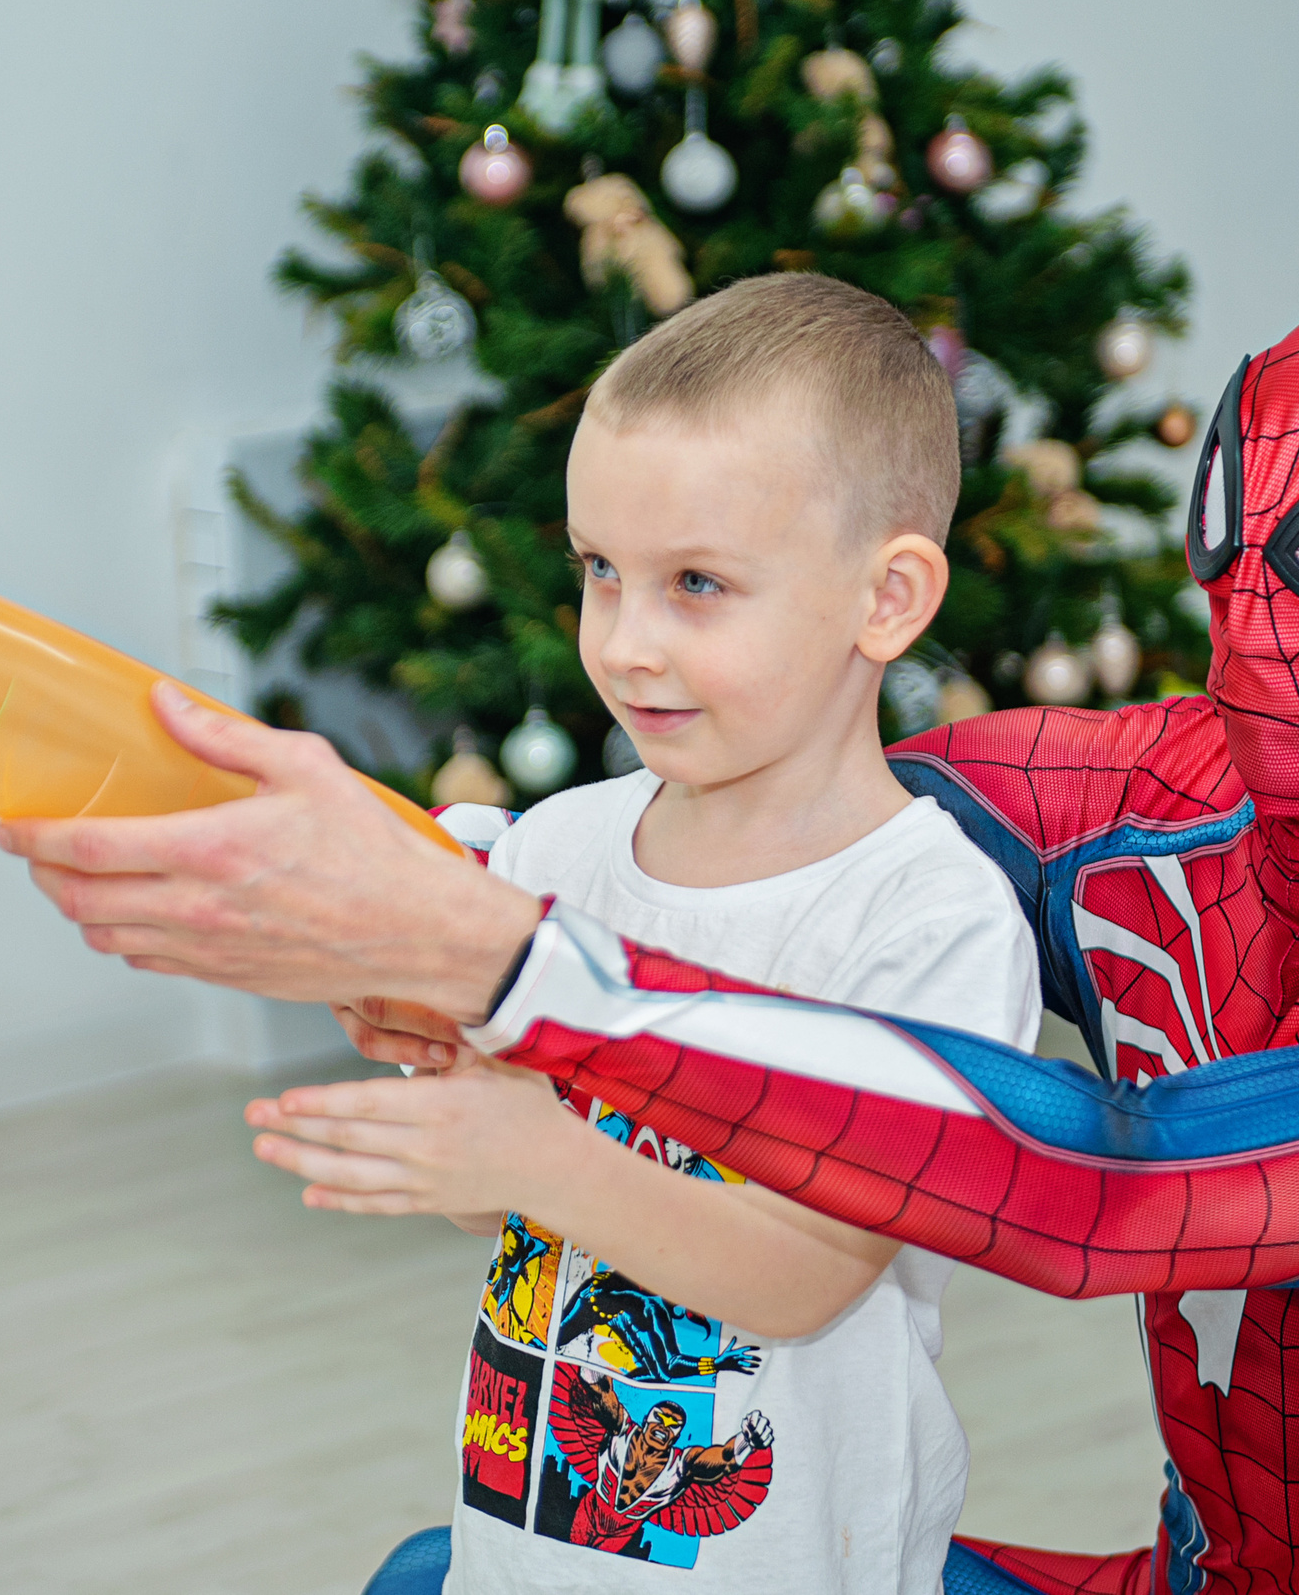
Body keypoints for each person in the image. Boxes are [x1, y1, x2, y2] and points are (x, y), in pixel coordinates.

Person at [0, 264, 1299, 1595]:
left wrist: (507, 967)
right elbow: (771, 804)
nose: (1269, 608)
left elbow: (1106, 1186)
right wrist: (378, 875)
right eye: (1246, 525)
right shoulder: (1155, 796)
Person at [243, 276, 1040, 1591]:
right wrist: (461, 1100)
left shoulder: (927, 924)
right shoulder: (555, 850)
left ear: (886, 599)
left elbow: (804, 1275)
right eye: (600, 571)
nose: (624, 642)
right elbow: (511, 1223)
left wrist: (534, 1147)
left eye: (697, 584)